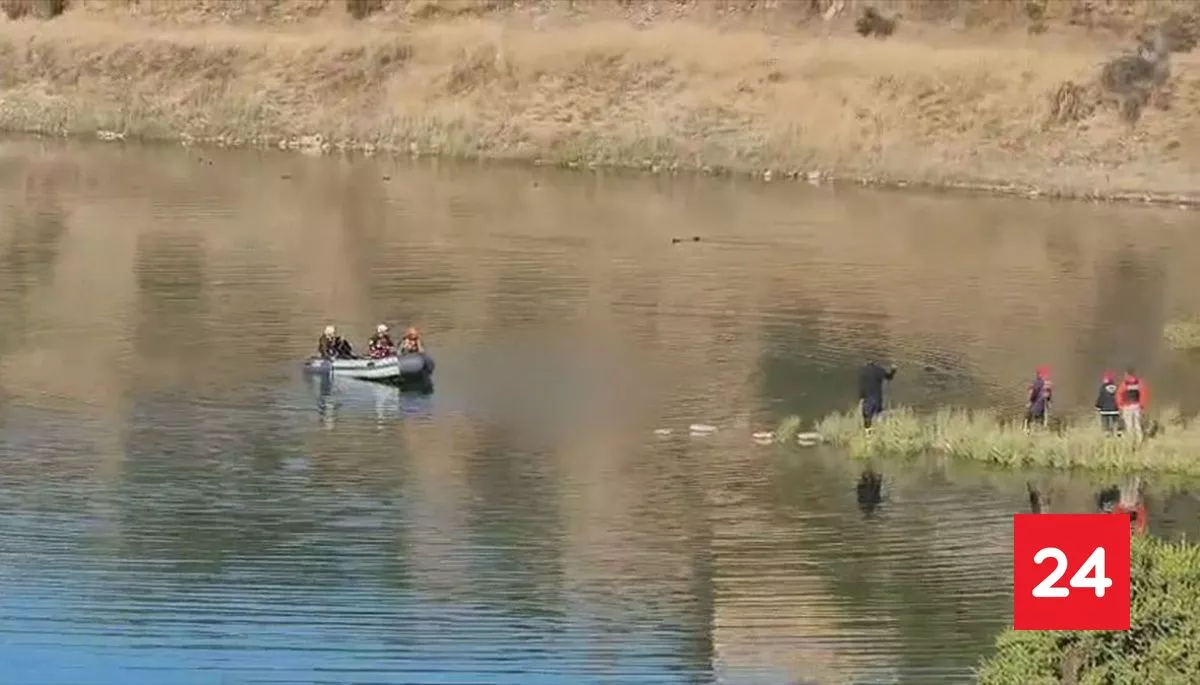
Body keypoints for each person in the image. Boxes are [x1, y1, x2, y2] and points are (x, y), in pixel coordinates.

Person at [857, 360, 896, 431]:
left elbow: (861, 386)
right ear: (875, 363)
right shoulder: (879, 370)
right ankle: (880, 431)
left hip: (867, 397)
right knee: (878, 413)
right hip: (878, 397)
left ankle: (868, 436)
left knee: (867, 417)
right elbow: (889, 377)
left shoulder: (863, 371)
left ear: (866, 363)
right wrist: (893, 370)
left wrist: (861, 397)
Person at [1116, 366, 1149, 442]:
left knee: (1129, 425)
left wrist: (1120, 405)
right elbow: (1143, 394)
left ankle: (1131, 440)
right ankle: (1139, 440)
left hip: (1127, 407)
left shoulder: (1125, 383)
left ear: (1126, 374)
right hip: (1137, 406)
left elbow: (1119, 394)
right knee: (1137, 424)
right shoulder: (1139, 382)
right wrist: (1142, 405)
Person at [1023, 365, 1053, 432]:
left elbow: (1034, 394)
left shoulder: (1037, 382)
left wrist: (1030, 402)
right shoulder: (1047, 385)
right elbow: (1049, 397)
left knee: (1029, 419)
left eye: (1037, 373)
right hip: (1043, 408)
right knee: (1040, 423)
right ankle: (1039, 433)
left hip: (1035, 407)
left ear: (1039, 374)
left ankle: (1028, 432)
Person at [1094, 370, 1121, 435]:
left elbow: (1101, 398)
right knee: (1115, 421)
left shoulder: (1103, 387)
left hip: (1105, 409)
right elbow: (1119, 397)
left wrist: (1097, 406)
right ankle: (1117, 432)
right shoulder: (1117, 387)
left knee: (1106, 423)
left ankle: (1107, 434)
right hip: (1115, 409)